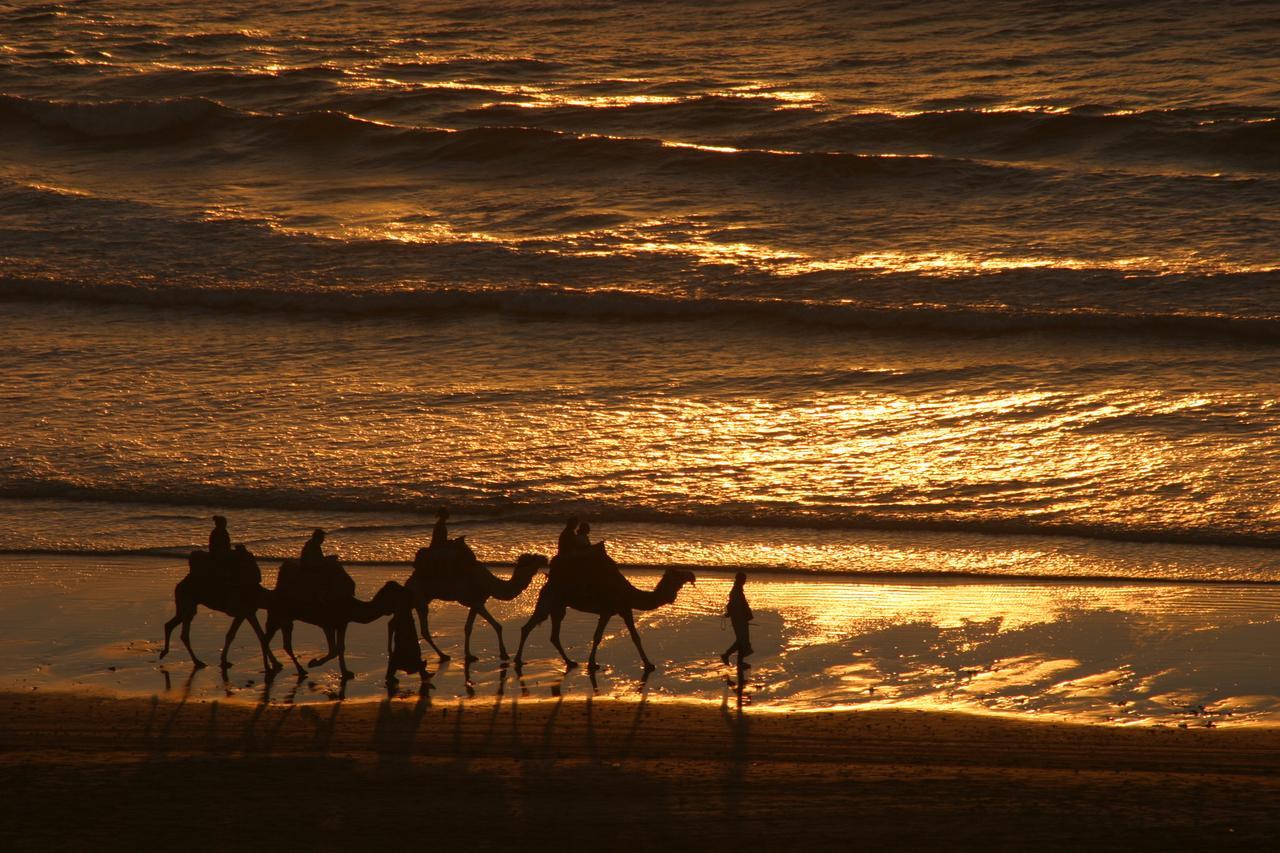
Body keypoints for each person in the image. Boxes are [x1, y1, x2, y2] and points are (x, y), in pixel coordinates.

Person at [385, 582, 427, 684]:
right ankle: (389, 676)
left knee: (413, 652)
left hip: (407, 634)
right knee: (401, 654)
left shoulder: (405, 609)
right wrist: (389, 645)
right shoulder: (402, 610)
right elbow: (391, 625)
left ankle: (422, 672)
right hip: (404, 635)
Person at [721, 572, 754, 666]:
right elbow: (735, 605)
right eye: (743, 579)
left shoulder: (737, 590)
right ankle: (727, 655)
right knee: (741, 640)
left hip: (740, 619)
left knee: (741, 640)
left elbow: (733, 605)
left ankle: (739, 661)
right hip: (739, 619)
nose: (744, 581)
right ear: (739, 580)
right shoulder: (736, 591)